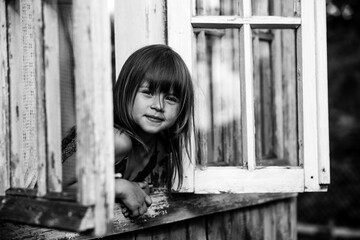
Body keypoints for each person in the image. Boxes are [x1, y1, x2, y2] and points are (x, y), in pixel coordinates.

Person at [62, 44, 194, 218]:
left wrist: (135, 188)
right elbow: (53, 191)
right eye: (147, 92)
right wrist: (118, 187)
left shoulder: (159, 147)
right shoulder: (115, 139)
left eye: (170, 98)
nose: (158, 106)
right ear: (126, 90)